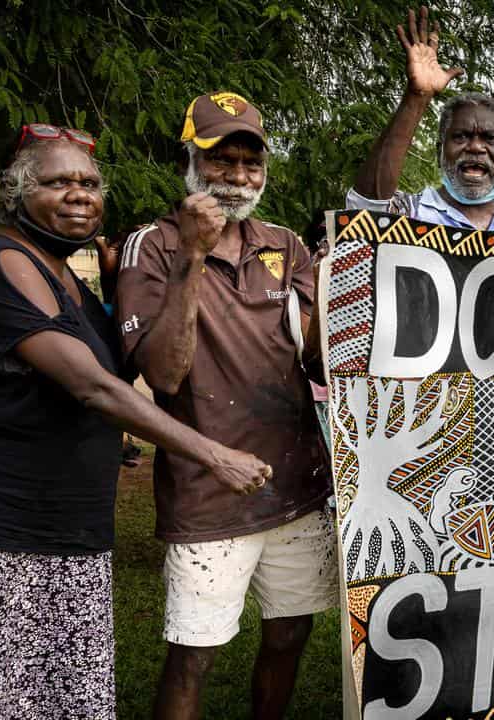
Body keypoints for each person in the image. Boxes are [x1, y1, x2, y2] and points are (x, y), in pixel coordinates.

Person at [0, 127, 269, 719]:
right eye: (57, 182)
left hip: (70, 529)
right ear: (16, 193)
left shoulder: (64, 276)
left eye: (88, 182)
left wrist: (111, 286)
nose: (79, 194)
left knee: (69, 697)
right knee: (13, 696)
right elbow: (94, 387)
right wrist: (213, 454)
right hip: (9, 532)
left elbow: (121, 359)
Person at [115, 92, 337, 720]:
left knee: (290, 634)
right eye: (222, 160)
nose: (238, 177)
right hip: (210, 489)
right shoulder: (152, 245)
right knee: (195, 656)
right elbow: (162, 371)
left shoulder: (286, 244)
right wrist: (191, 253)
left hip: (296, 482)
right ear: (191, 160)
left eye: (251, 163)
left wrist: (325, 304)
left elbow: (317, 364)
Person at [347, 7, 494, 234]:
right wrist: (417, 97)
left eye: (490, 138)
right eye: (461, 136)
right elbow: (365, 211)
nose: (475, 147)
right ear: (439, 152)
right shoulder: (409, 214)